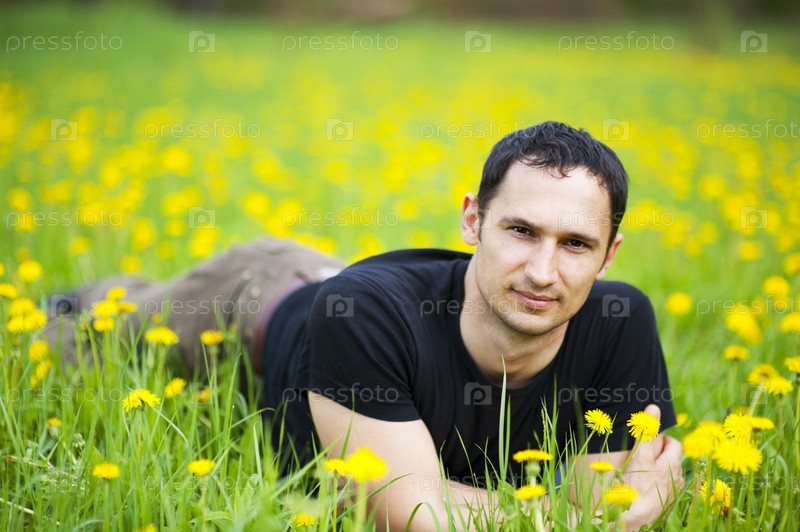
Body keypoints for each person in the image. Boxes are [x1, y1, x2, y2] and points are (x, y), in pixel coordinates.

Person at [46, 121, 683, 530]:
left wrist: (598, 507)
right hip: (257, 300)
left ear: (608, 256)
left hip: (353, 294)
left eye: (575, 244)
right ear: (472, 221)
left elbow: (600, 500)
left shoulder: (619, 321)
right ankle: (84, 297)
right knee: (106, 330)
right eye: (520, 230)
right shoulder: (362, 314)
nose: (542, 272)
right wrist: (581, 511)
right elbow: (414, 513)